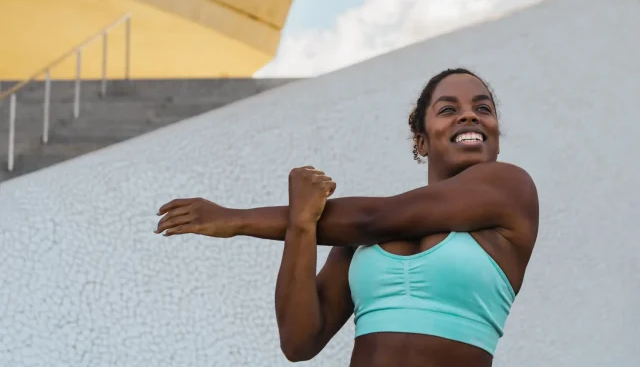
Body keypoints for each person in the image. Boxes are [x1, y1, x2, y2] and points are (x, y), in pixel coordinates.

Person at [154, 68, 540, 367]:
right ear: (421, 141)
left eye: (482, 108)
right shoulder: (359, 231)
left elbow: (375, 217)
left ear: (496, 134)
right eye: (449, 109)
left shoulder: (511, 188)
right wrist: (301, 225)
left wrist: (237, 219)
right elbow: (299, 340)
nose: (469, 116)